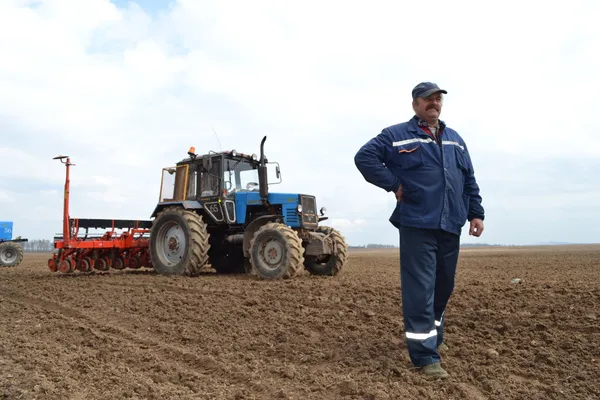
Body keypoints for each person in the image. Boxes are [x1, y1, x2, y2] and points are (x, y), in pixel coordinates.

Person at [353, 82, 485, 378]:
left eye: (438, 99)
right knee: (420, 289)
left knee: (444, 285)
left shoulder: (456, 140)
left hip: (451, 222)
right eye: (428, 99)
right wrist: (394, 184)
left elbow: (469, 180)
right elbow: (364, 158)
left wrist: (476, 212)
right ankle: (425, 356)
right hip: (417, 223)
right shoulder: (396, 135)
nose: (434, 103)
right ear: (415, 104)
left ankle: (433, 337)